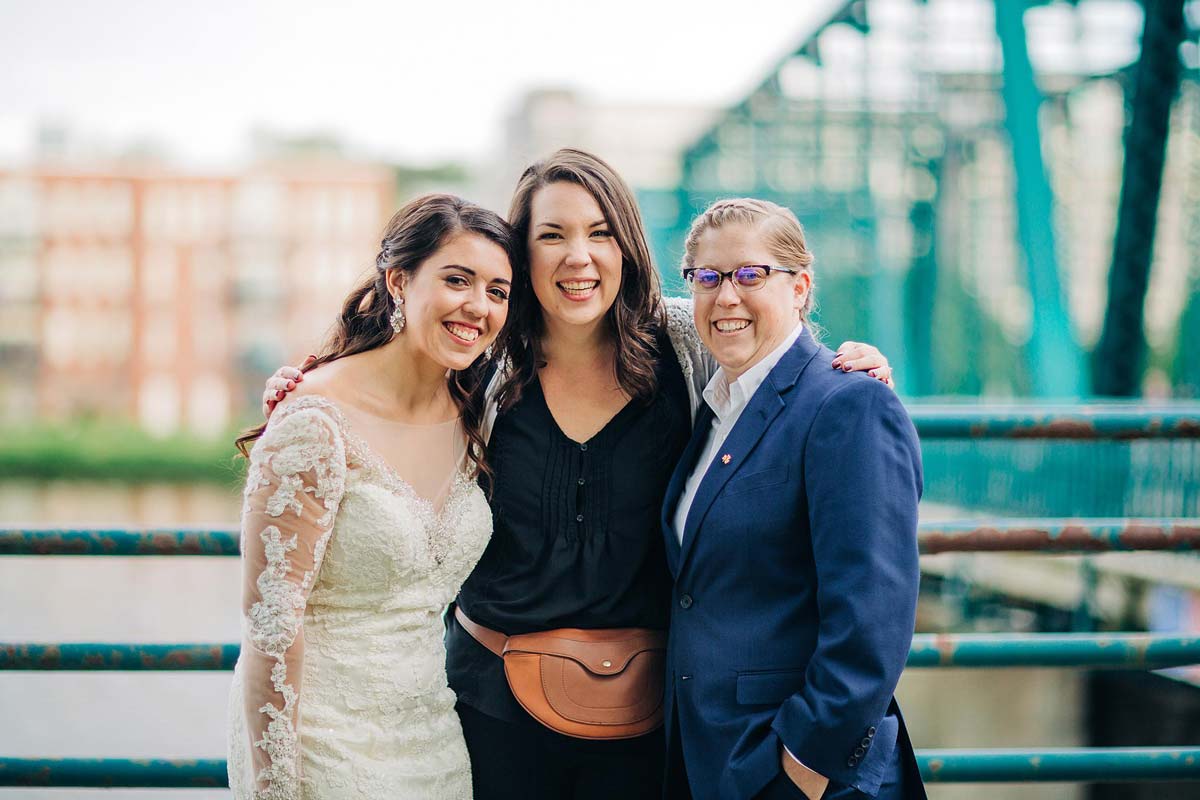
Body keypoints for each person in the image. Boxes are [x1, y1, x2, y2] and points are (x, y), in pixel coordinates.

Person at [263, 149, 896, 800]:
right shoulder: (481, 354)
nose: (579, 256)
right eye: (551, 235)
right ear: (520, 253)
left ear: (626, 246)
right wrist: (307, 393)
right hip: (491, 712)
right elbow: (384, 398)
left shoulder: (683, 342)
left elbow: (768, 349)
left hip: (652, 722)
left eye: (600, 233)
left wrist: (849, 366)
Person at [227, 194, 516, 799]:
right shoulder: (314, 422)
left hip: (434, 746)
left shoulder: (476, 415)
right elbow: (271, 633)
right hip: (321, 747)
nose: (478, 306)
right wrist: (276, 786)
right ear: (399, 281)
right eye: (457, 280)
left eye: (498, 291)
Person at [661, 198, 925, 800]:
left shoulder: (849, 404)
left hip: (794, 772)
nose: (726, 296)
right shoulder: (712, 408)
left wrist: (804, 763)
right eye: (707, 277)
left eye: (751, 274)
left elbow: (873, 617)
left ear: (800, 287)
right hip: (712, 758)